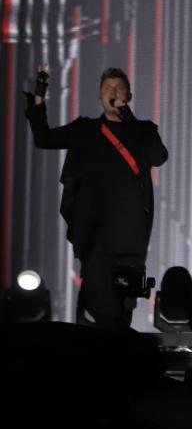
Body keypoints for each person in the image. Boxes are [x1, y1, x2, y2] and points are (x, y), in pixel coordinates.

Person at [24, 64, 168, 328]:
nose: (112, 92)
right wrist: (39, 95)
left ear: (129, 95)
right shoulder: (85, 130)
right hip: (95, 238)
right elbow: (44, 138)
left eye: (118, 88)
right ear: (99, 97)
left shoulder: (143, 130)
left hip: (131, 239)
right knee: (102, 309)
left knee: (123, 312)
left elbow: (159, 156)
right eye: (107, 89)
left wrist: (129, 118)